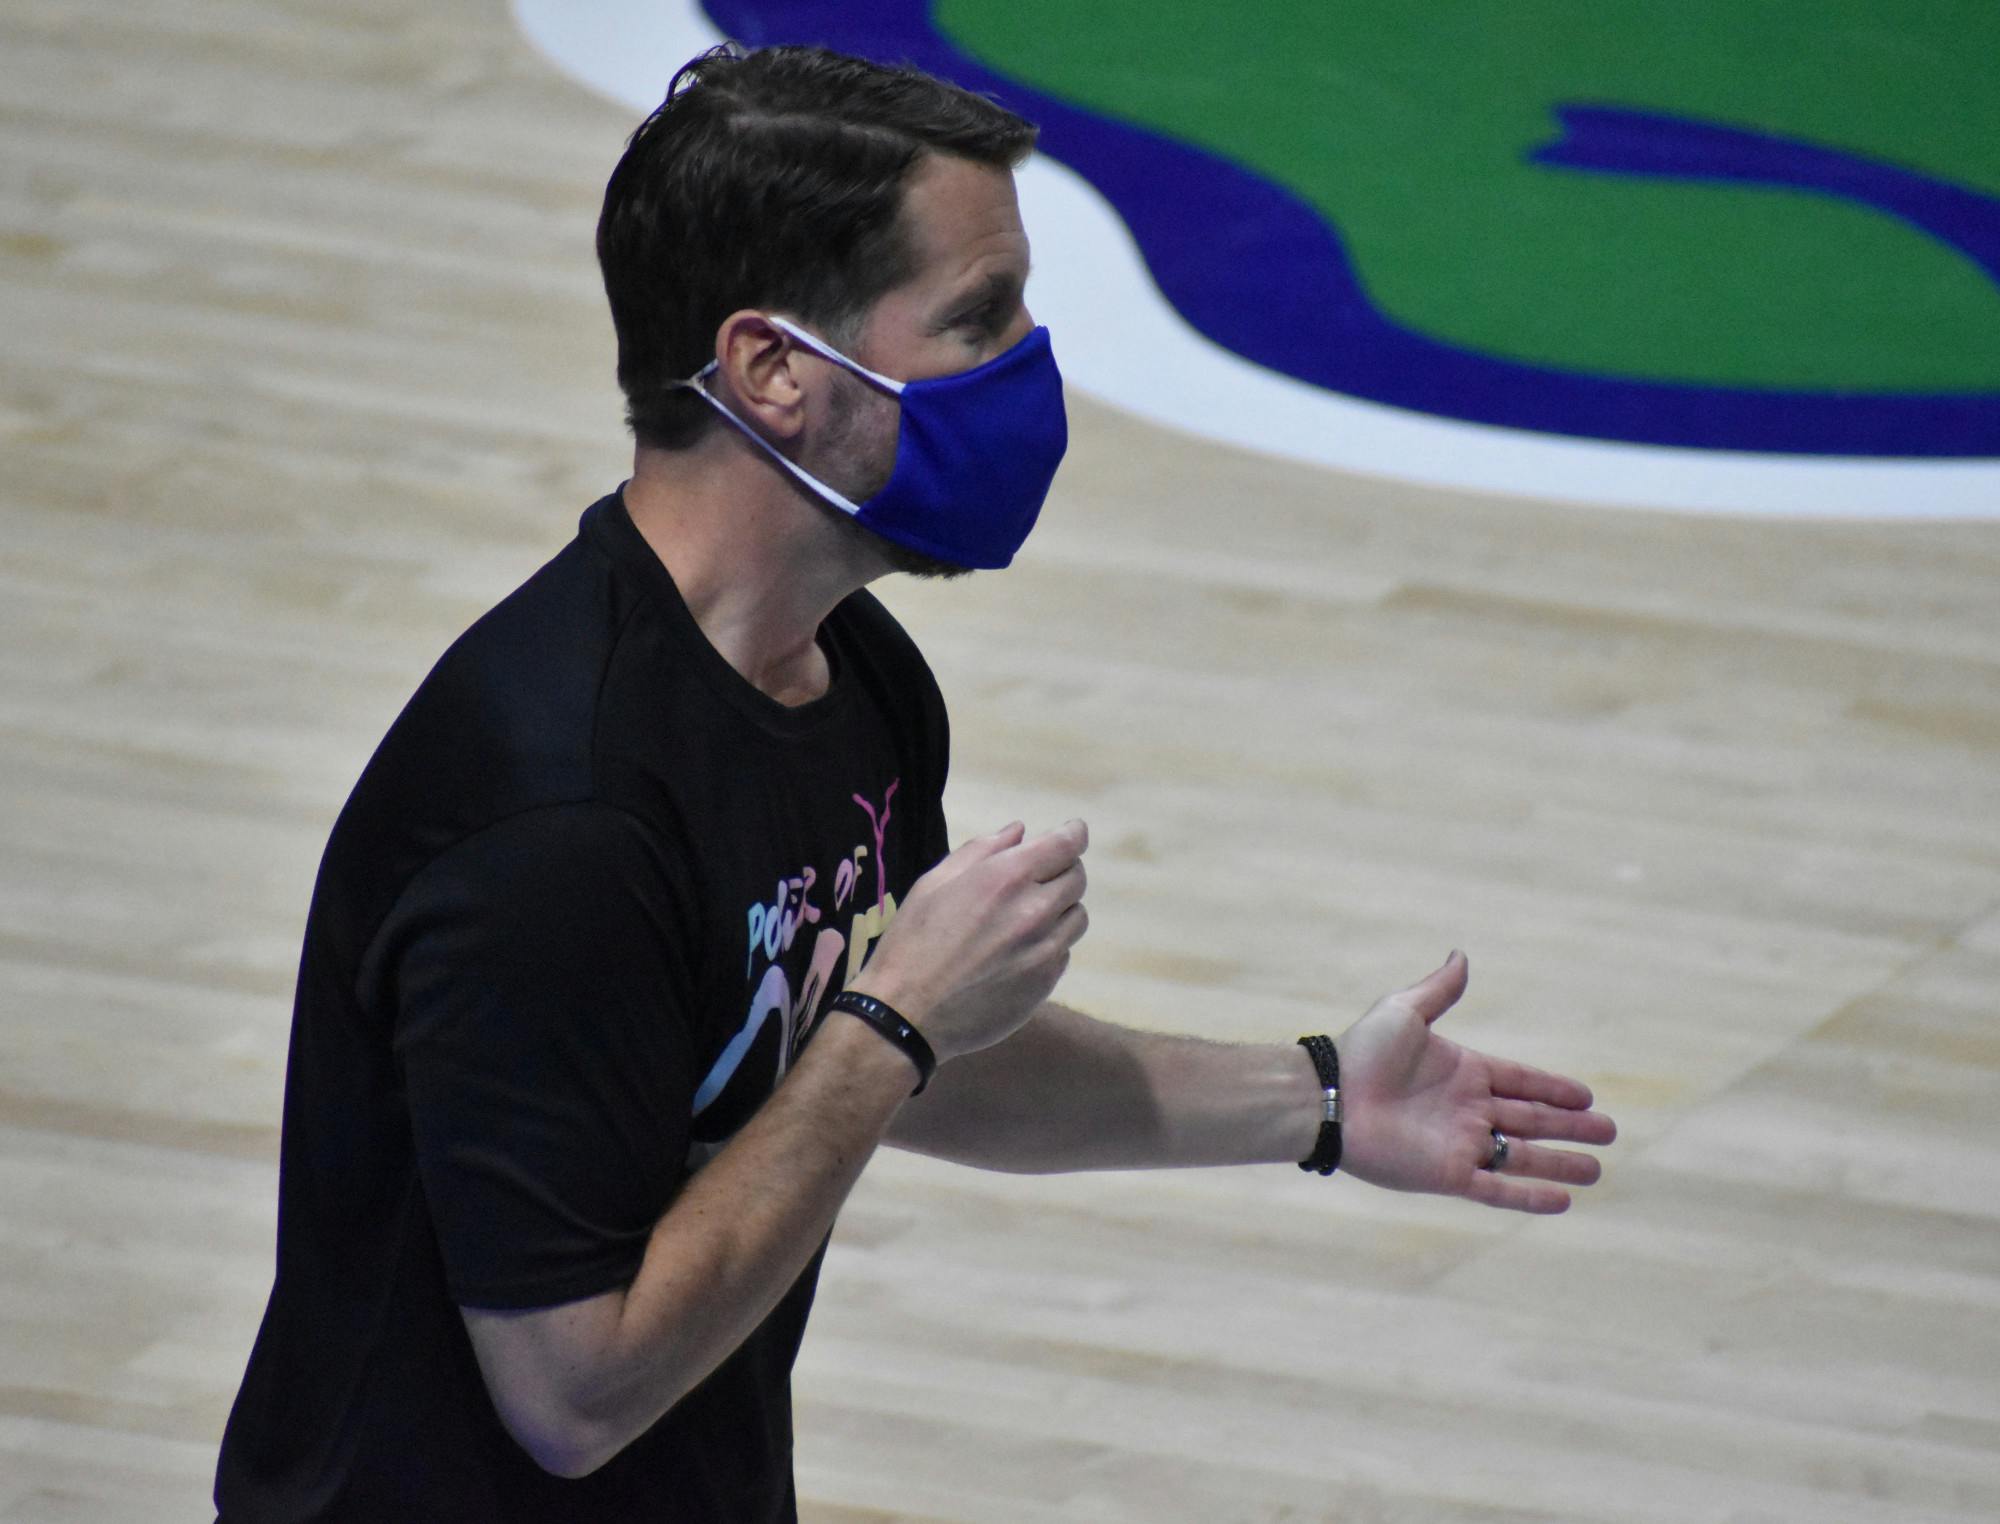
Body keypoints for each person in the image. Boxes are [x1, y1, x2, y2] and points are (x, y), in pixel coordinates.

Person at [212, 42, 1617, 1523]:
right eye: (979, 318)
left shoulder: (850, 678)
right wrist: (894, 1021)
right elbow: (574, 1390)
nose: (1031, 363)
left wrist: (1318, 1100)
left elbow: (859, 1061)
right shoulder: (557, 819)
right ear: (773, 371)